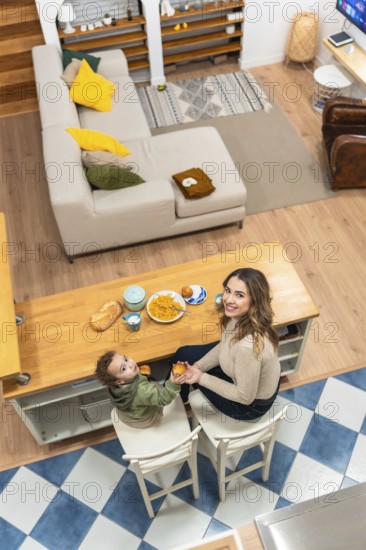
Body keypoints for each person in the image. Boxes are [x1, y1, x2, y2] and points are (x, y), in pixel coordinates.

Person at [172, 268, 281, 420]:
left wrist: (201, 377)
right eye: (228, 290)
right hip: (247, 378)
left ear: (255, 300)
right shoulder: (240, 316)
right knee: (184, 354)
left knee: (192, 372)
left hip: (248, 406)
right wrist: (198, 367)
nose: (228, 299)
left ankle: (171, 405)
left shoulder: (247, 348)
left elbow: (245, 397)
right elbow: (225, 345)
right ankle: (177, 399)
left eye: (239, 295)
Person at [95, 351, 186, 428]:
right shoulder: (142, 391)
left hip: (126, 414)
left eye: (126, 359)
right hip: (145, 419)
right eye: (123, 368)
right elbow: (163, 399)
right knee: (159, 391)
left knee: (151, 386)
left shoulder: (114, 385)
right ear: (119, 381)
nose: (130, 364)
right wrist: (174, 383)